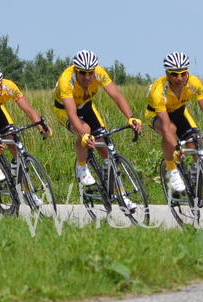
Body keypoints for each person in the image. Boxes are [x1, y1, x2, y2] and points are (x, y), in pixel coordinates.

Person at [53, 50, 142, 209]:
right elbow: (72, 113)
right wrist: (83, 135)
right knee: (85, 130)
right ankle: (81, 167)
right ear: (75, 70)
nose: (87, 77)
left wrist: (130, 117)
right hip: (65, 110)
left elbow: (117, 96)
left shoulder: (99, 72)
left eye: (90, 73)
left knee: (104, 145)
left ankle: (120, 194)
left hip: (87, 107)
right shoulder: (66, 80)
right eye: (83, 73)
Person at [145, 52, 203, 199]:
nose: (179, 78)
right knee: (171, 129)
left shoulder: (194, 83)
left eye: (183, 73)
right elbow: (167, 127)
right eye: (174, 74)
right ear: (167, 73)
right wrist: (176, 149)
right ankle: (171, 169)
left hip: (179, 112)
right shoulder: (159, 91)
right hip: (156, 115)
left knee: (197, 143)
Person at [0, 64, 51, 185]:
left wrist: (41, 128)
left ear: (1, 83)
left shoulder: (9, 86)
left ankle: (24, 188)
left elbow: (29, 111)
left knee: (11, 138)